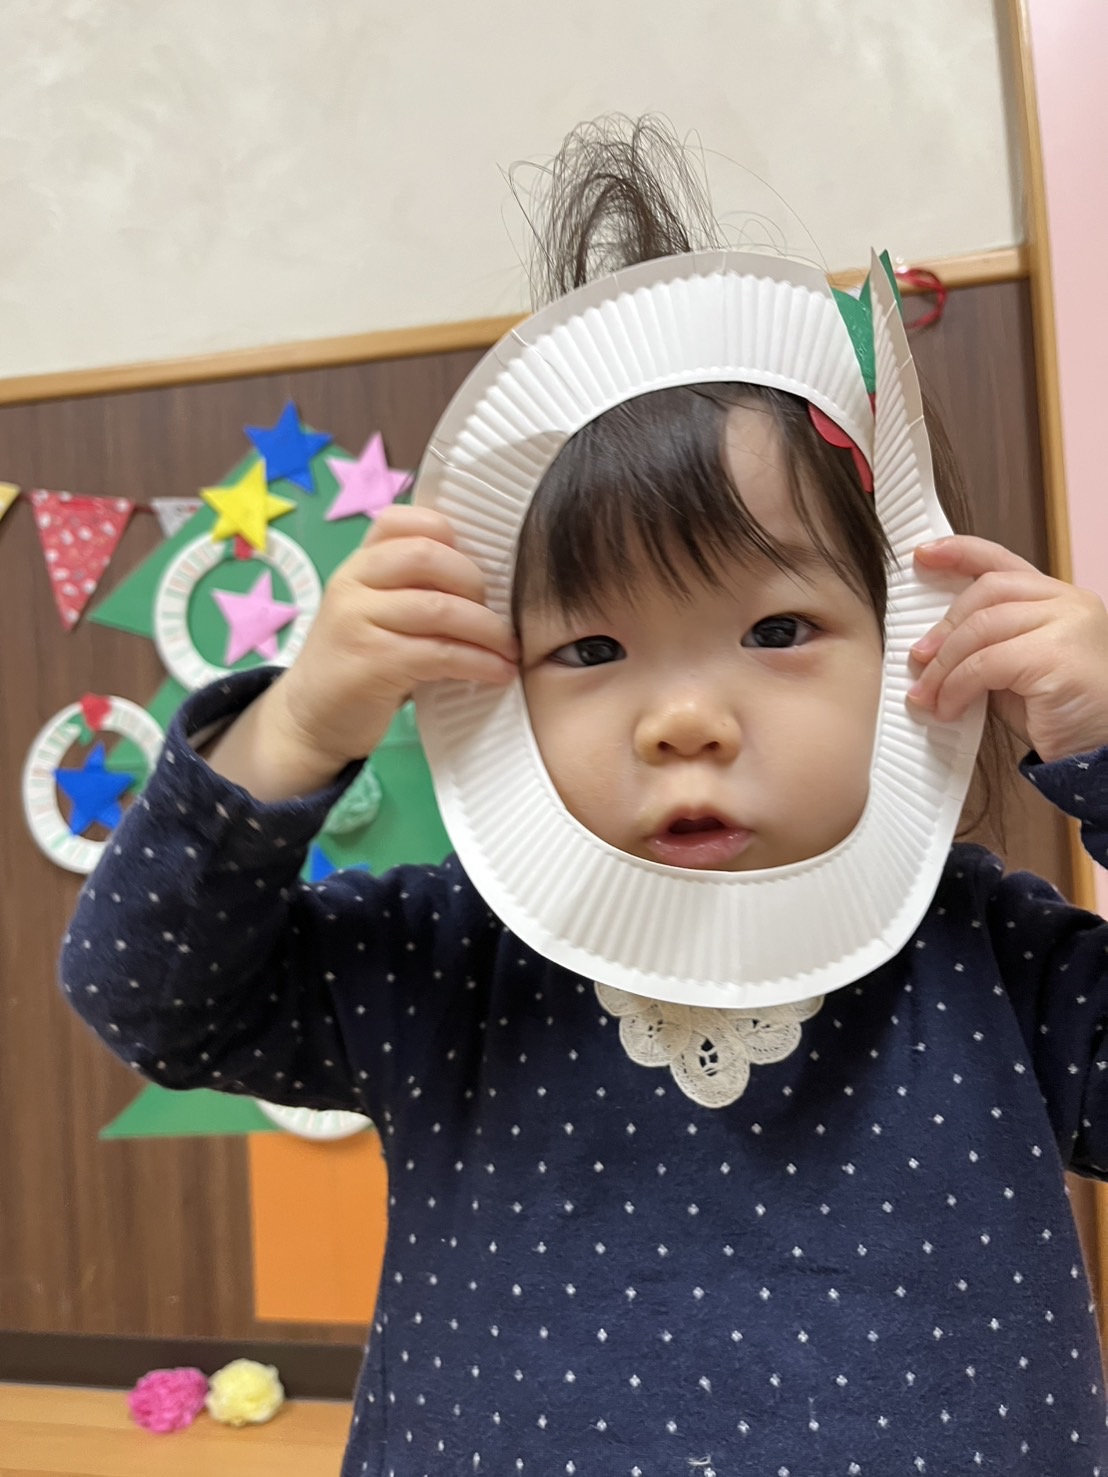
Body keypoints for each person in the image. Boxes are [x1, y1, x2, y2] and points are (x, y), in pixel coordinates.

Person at [62, 119, 1108, 1474]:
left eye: (777, 630)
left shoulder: (993, 960)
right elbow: (148, 989)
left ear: (917, 632)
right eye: (594, 650)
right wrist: (300, 723)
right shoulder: (449, 958)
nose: (683, 720)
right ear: (503, 686)